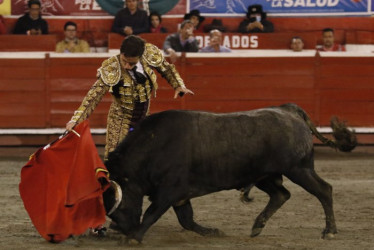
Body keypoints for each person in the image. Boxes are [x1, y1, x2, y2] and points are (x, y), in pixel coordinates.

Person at [66, 35, 194, 160]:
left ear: (140, 56)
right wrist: (76, 120)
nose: (127, 66)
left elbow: (166, 69)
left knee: (141, 157)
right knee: (114, 157)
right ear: (121, 53)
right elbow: (94, 95)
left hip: (143, 116)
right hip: (120, 118)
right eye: (124, 61)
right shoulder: (112, 67)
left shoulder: (148, 53)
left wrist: (178, 85)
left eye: (131, 63)